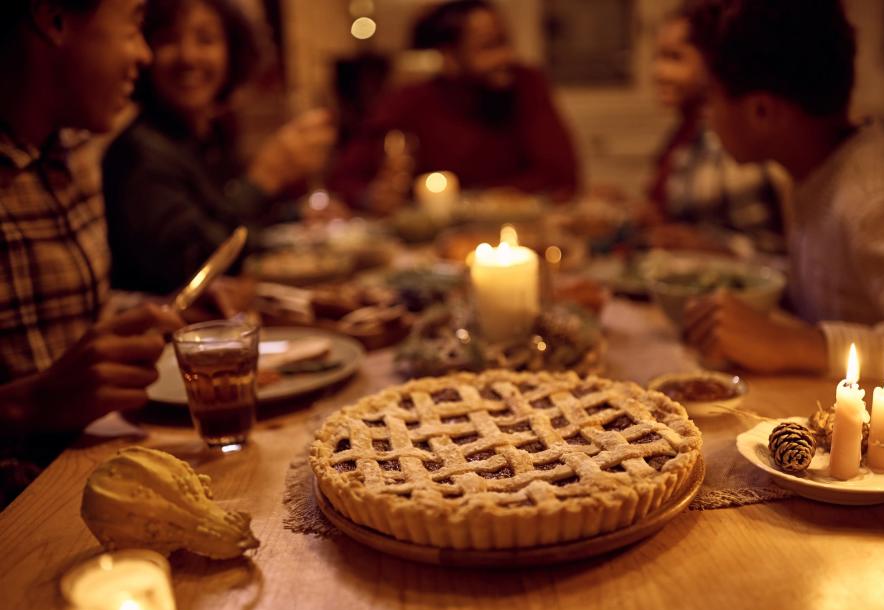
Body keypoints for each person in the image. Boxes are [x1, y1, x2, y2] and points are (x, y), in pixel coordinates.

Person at [681, 0, 884, 404]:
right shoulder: (814, 171)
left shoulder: (874, 201)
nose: (705, 115)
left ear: (761, 110)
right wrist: (727, 260)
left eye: (710, 97)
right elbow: (834, 283)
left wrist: (805, 345)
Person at [0, 0, 185, 506]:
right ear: (53, 18)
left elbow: (69, 319)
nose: (144, 55)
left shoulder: (75, 149)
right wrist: (24, 406)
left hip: (98, 473)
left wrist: (166, 312)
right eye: (134, 24)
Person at [103, 0, 335, 295]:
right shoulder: (139, 154)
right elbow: (197, 265)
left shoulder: (205, 136)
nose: (188, 57)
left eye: (205, 39)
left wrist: (296, 215)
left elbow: (221, 214)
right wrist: (264, 179)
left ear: (233, 52)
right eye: (168, 40)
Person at [329, 0, 579, 214]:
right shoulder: (410, 100)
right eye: (489, 46)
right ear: (448, 57)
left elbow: (561, 175)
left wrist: (478, 201)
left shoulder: (526, 84)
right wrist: (373, 196)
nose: (506, 56)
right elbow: (345, 179)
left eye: (504, 41)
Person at [645, 5, 784, 255]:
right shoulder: (687, 131)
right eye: (657, 57)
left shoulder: (732, 134)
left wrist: (708, 246)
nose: (658, 72)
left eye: (675, 57)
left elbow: (772, 248)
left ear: (711, 62)